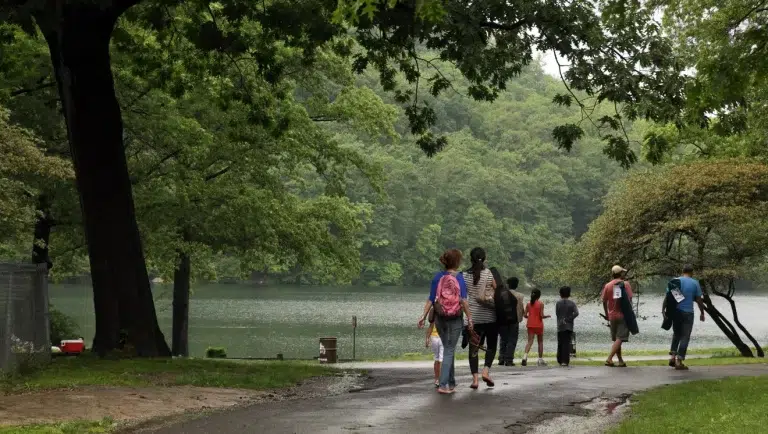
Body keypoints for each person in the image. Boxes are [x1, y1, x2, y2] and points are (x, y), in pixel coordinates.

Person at [418, 249, 472, 394]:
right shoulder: (459, 277)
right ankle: (443, 385)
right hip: (455, 318)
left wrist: (423, 316)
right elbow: (464, 301)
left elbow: (431, 299)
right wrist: (470, 318)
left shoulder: (437, 277)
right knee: (449, 349)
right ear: (457, 261)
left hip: (440, 317)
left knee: (449, 349)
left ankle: (452, 382)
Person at [464, 247, 497, 389]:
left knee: (474, 348)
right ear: (484, 258)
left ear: (470, 259)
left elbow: (463, 298)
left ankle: (475, 380)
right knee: (491, 345)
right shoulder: (489, 273)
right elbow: (498, 290)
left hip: (473, 318)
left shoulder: (464, 275)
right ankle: (486, 371)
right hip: (490, 317)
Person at [663, 264, 706, 370]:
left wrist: (663, 310)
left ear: (683, 271)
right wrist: (702, 312)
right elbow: (699, 299)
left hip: (676, 312)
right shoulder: (695, 283)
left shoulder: (675, 281)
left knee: (676, 334)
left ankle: (672, 357)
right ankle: (679, 361)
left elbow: (667, 297)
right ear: (692, 272)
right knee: (685, 336)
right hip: (688, 313)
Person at [602, 265, 633, 367]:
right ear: (621, 273)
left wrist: (607, 314)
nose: (624, 274)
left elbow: (604, 301)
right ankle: (609, 358)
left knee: (617, 339)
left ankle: (620, 361)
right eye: (623, 272)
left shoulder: (607, 285)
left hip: (612, 316)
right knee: (620, 338)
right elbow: (630, 299)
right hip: (622, 315)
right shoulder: (625, 284)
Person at [496, 275, 524, 366]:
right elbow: (520, 309)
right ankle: (509, 360)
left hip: (503, 320)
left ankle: (501, 358)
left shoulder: (502, 294)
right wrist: (519, 319)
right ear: (517, 285)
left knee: (503, 339)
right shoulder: (520, 296)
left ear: (508, 284)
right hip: (514, 321)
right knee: (512, 340)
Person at [522, 288, 550, 366]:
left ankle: (524, 357)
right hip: (539, 325)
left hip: (530, 325)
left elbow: (525, 315)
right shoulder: (541, 304)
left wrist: (530, 317)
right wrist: (547, 316)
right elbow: (541, 316)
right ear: (539, 296)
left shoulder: (528, 304)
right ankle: (540, 359)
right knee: (540, 342)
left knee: (530, 341)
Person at [555, 286, 579, 367]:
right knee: (566, 343)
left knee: (560, 342)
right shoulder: (572, 303)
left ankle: (560, 359)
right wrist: (569, 319)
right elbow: (576, 313)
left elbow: (557, 313)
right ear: (569, 294)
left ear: (560, 294)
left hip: (560, 325)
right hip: (569, 326)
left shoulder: (558, 303)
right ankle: (565, 361)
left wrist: (561, 320)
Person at [425, 308, 443, 386]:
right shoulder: (447, 310)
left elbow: (431, 326)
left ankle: (437, 379)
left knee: (437, 358)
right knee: (442, 359)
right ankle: (442, 379)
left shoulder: (434, 311)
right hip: (442, 337)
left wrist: (427, 338)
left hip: (434, 337)